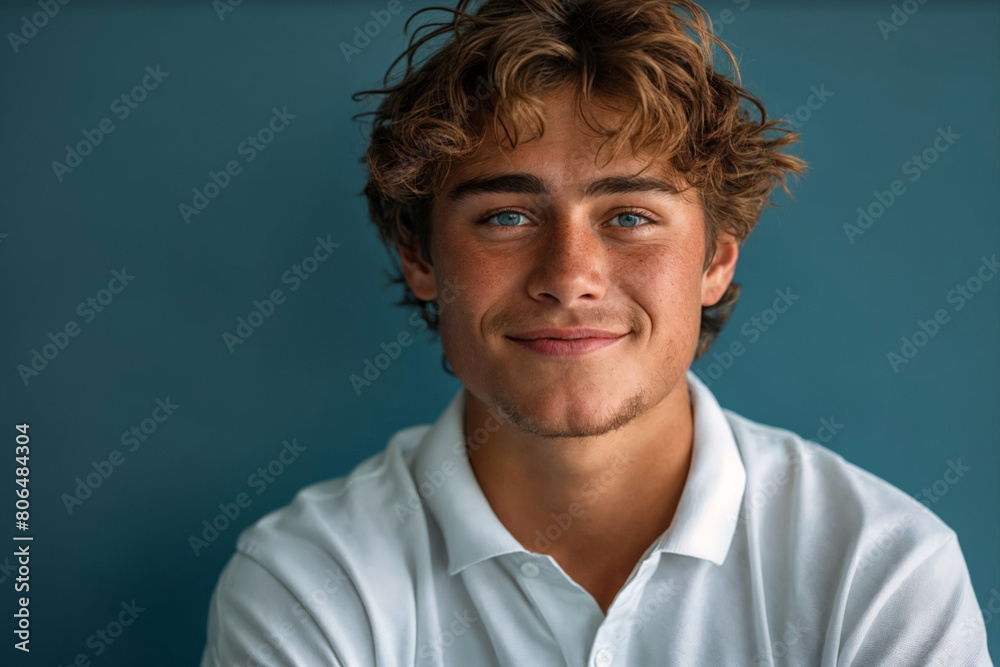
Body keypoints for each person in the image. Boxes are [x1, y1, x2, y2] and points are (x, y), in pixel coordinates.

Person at [200, 1, 992, 665]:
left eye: (630, 217)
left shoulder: (880, 568)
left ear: (715, 257)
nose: (570, 273)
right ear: (419, 256)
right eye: (506, 216)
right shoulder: (309, 581)